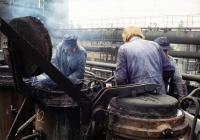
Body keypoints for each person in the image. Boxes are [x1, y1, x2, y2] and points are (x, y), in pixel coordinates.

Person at [114, 25, 175, 94]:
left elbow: (120, 79)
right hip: (159, 94)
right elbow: (169, 69)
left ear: (126, 36)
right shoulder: (155, 45)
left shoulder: (123, 49)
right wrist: (159, 80)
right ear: (140, 34)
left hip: (138, 96)